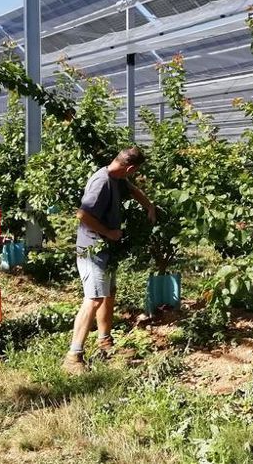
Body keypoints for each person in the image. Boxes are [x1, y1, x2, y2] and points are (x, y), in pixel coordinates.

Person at [62, 147, 155, 375]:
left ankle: (105, 343)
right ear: (130, 168)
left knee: (108, 295)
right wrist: (109, 232)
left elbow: (133, 190)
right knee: (93, 299)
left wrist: (149, 206)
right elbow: (82, 215)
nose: (133, 176)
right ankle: (73, 357)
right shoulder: (102, 182)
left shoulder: (117, 178)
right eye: (135, 172)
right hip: (92, 250)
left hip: (106, 251)